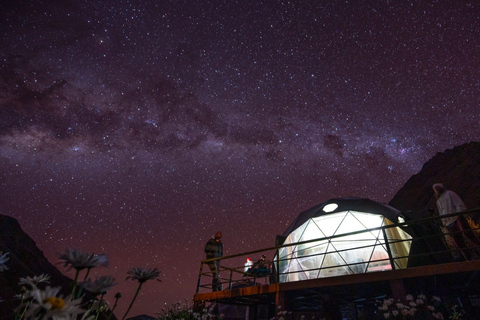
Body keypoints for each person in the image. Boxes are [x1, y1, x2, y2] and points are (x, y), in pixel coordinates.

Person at [433, 183, 480, 260]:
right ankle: (468, 259)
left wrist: (460, 213)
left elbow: (458, 203)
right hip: (449, 222)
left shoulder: (449, 194)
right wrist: (445, 222)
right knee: (459, 241)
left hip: (457, 218)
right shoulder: (439, 201)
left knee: (468, 234)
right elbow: (442, 212)